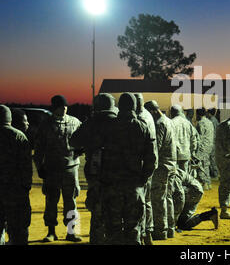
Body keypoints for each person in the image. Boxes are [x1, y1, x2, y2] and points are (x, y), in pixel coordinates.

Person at [99, 93, 157, 245]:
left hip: (112, 186)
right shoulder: (143, 127)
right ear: (134, 106)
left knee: (113, 231)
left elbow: (98, 154)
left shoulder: (108, 127)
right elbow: (152, 159)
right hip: (134, 187)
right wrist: (143, 179)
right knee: (134, 230)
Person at [69, 93, 117, 244]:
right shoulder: (119, 121)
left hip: (95, 174)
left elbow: (74, 141)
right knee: (116, 213)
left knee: (97, 212)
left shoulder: (91, 123)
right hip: (117, 174)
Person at [33, 95, 82, 242]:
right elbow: (39, 148)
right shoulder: (46, 125)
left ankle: (71, 232)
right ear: (54, 108)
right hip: (52, 169)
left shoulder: (75, 122)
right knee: (51, 201)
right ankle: (51, 231)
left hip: (70, 169)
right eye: (61, 106)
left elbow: (84, 138)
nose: (64, 108)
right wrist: (39, 167)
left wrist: (82, 148)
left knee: (71, 201)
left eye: (66, 106)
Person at [145, 100, 177, 240]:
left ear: (152, 111)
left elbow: (155, 147)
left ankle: (161, 230)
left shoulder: (159, 125)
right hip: (171, 164)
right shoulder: (169, 121)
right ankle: (170, 228)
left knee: (158, 199)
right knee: (168, 198)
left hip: (162, 166)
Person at [0, 105, 32, 245]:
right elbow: (26, 168)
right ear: (10, 119)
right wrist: (25, 188)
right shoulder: (18, 136)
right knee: (18, 230)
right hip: (15, 193)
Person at [134, 93, 158, 245]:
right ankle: (148, 233)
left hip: (141, 167)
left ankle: (143, 234)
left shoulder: (140, 119)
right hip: (149, 165)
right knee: (147, 201)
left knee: (139, 202)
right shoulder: (148, 115)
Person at [170, 105, 198, 172]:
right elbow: (193, 139)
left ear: (172, 112)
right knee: (184, 175)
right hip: (186, 154)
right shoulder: (188, 123)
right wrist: (192, 151)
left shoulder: (171, 123)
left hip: (175, 154)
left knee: (175, 175)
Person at [194, 108, 215, 190]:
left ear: (198, 114)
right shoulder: (210, 122)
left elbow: (200, 137)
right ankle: (208, 182)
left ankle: (204, 182)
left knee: (200, 165)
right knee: (206, 165)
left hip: (202, 147)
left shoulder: (200, 123)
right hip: (209, 146)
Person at [206, 108, 219, 178]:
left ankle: (215, 174)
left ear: (209, 113)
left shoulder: (211, 121)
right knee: (212, 158)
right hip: (214, 142)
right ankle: (214, 173)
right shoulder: (215, 120)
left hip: (212, 142)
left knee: (212, 159)